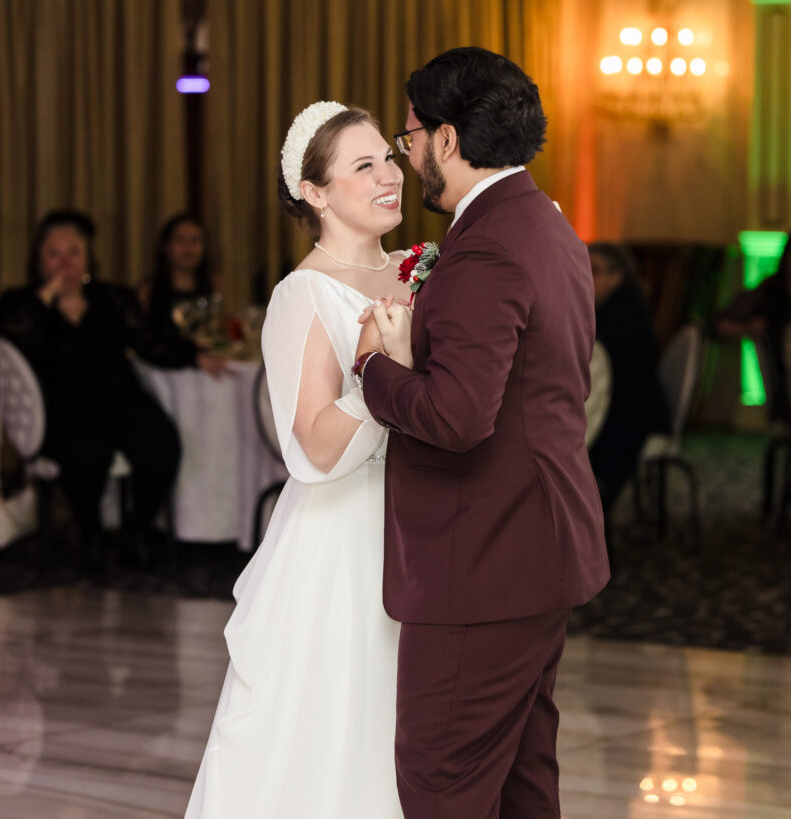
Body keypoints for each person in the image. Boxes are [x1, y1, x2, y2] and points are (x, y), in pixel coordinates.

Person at [356, 47, 609, 817]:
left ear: (447, 139)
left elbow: (458, 418)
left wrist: (374, 369)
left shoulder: (487, 247)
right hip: (537, 549)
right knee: (523, 779)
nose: (408, 157)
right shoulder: (546, 222)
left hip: (485, 562)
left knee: (441, 782)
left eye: (409, 139)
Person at [185, 102, 409, 817]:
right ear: (314, 193)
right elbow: (310, 446)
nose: (389, 175)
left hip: (420, 519)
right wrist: (377, 371)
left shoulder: (417, 270)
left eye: (390, 157)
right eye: (364, 165)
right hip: (342, 541)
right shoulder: (303, 294)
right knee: (335, 723)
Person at [0, 209, 186, 571]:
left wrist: (195, 355)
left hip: (120, 399)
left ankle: (136, 528)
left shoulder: (112, 297)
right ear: (38, 260)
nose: (65, 262)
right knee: (86, 454)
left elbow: (150, 344)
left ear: (87, 258)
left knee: (160, 443)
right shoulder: (21, 304)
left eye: (73, 252)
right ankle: (91, 532)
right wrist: (48, 294)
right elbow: (11, 333)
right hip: (64, 407)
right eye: (54, 253)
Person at [587, 241, 670, 563]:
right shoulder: (607, 308)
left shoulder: (623, 312)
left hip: (634, 415)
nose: (585, 275)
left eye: (594, 270)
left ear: (618, 276)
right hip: (620, 406)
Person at [713, 227, 791, 420]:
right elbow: (719, 323)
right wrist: (747, 329)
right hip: (786, 385)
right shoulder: (770, 293)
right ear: (787, 257)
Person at [138, 213, 228, 378]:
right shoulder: (148, 290)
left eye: (195, 240)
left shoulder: (215, 286)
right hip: (164, 373)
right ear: (165, 246)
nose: (188, 247)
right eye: (180, 240)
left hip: (208, 371)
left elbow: (221, 333)